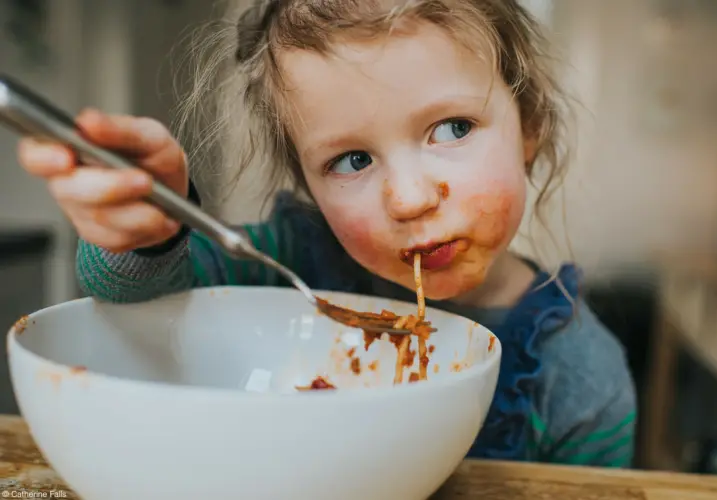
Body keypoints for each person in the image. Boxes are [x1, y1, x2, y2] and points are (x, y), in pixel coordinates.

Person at [17, 0, 636, 466]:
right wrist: (145, 232)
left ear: (529, 125)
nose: (411, 199)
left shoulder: (583, 382)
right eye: (353, 161)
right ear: (309, 188)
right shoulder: (286, 262)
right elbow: (138, 298)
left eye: (452, 128)